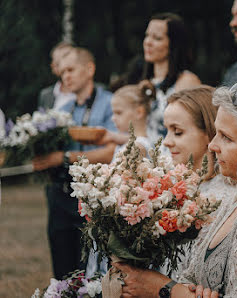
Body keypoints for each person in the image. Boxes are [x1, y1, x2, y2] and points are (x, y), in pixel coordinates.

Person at [113, 77, 237, 297]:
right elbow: (189, 277)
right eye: (216, 133)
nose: (212, 145)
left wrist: (163, 289)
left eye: (226, 137)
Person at [32, 47, 117, 280]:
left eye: (71, 70)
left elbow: (113, 151)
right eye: (63, 72)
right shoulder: (61, 110)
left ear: (89, 69)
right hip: (60, 195)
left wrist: (65, 158)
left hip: (94, 198)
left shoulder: (110, 103)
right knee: (62, 270)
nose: (65, 76)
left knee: (89, 270)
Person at [160, 85, 237, 279]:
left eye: (177, 132)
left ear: (208, 135)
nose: (166, 141)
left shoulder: (220, 198)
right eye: (166, 130)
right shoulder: (166, 183)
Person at [85, 80, 156, 278]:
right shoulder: (132, 142)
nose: (113, 118)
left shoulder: (137, 147)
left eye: (118, 113)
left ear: (139, 112)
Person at [142, 13, 201, 146]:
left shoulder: (186, 81)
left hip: (172, 158)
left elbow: (193, 131)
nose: (148, 42)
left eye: (157, 38)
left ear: (173, 44)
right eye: (147, 36)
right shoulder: (147, 81)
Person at [38, 41, 76, 110]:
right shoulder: (46, 95)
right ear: (53, 67)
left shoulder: (92, 92)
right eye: (58, 63)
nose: (64, 65)